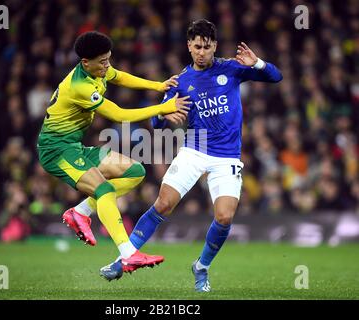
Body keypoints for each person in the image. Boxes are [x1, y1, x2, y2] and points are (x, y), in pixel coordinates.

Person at [98, 20, 283, 291]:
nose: (202, 52)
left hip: (227, 156)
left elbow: (275, 77)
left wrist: (257, 64)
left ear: (215, 46)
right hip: (194, 149)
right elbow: (156, 124)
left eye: (207, 47)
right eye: (197, 46)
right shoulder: (180, 82)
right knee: (163, 204)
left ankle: (202, 267)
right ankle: (123, 259)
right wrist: (164, 114)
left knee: (224, 217)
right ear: (189, 46)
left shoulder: (231, 68)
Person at [36, 31, 190, 273]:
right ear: (85, 62)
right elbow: (119, 114)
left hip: (74, 146)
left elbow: (120, 77)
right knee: (104, 188)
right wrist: (163, 107)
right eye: (102, 61)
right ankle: (128, 254)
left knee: (135, 171)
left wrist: (157, 85)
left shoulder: (97, 69)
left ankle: (81, 211)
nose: (107, 65)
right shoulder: (80, 86)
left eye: (108, 59)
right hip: (56, 150)